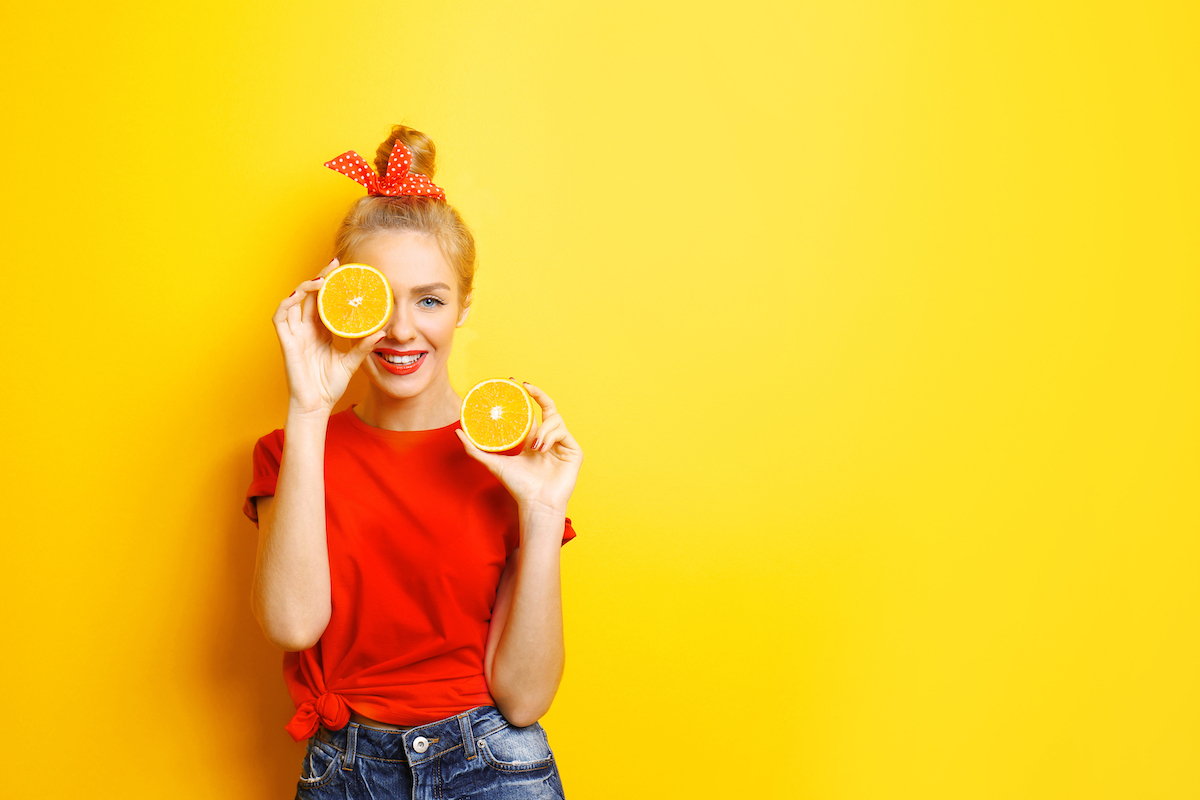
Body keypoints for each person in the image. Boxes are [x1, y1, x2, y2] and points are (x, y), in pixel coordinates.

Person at [242, 124, 583, 800]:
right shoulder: (289, 449)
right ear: (339, 302)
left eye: (429, 300)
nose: (400, 330)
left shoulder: (517, 461)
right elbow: (292, 624)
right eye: (377, 300)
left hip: (495, 769)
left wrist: (543, 517)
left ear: (462, 309)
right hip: (347, 773)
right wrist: (307, 407)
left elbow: (523, 700)